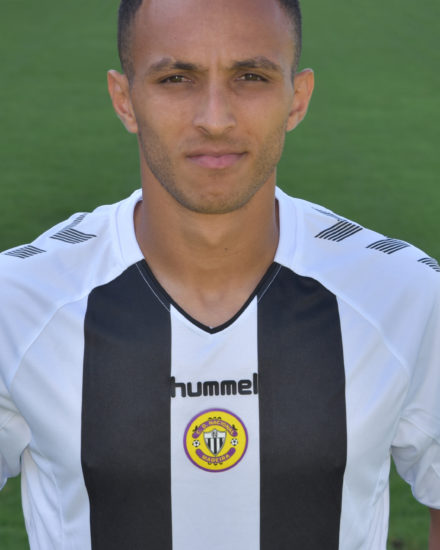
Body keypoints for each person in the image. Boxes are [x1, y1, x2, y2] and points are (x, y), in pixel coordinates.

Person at [0, 0, 439, 548]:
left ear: (297, 98)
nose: (214, 118)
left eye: (250, 77)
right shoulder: (18, 302)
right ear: (124, 99)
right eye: (176, 78)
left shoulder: (405, 295)